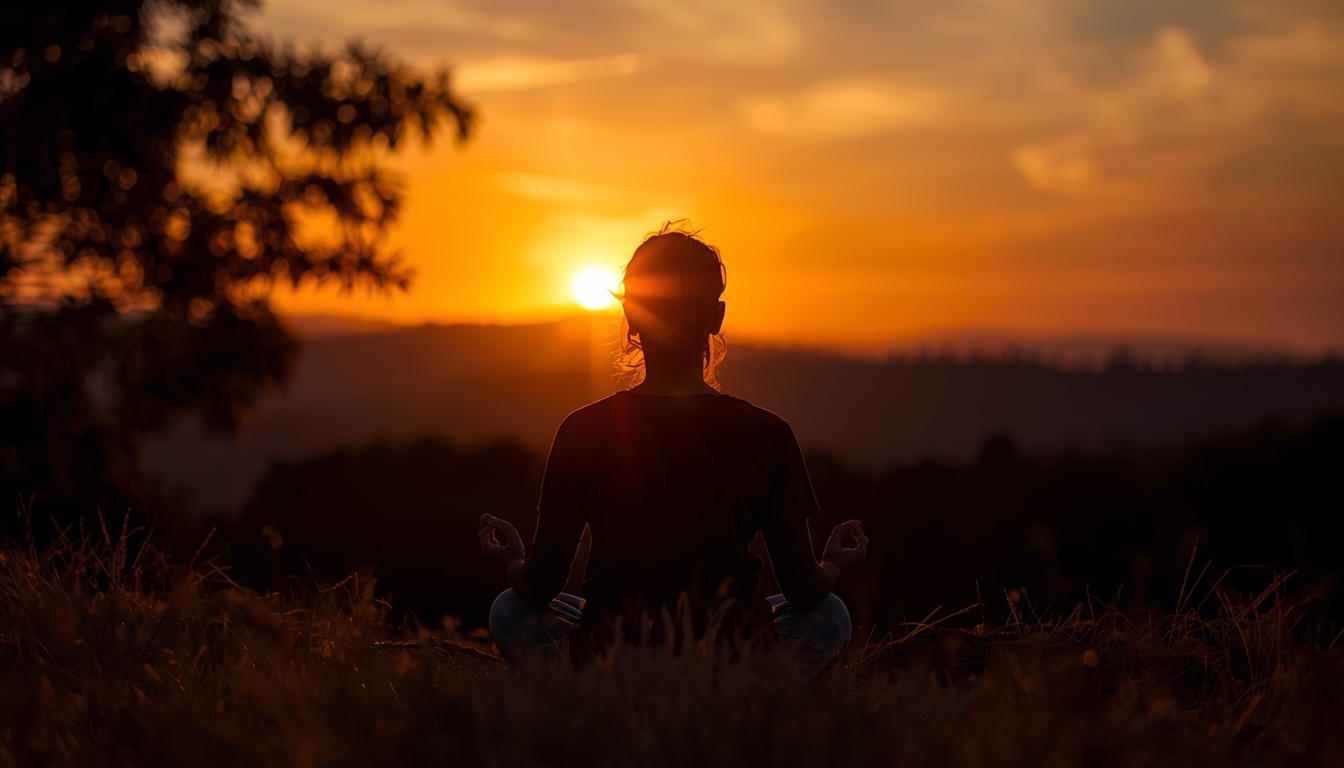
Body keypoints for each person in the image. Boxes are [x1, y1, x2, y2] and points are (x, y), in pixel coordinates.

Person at [479, 223, 869, 679]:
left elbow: (540, 586)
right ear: (716, 318)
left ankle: (600, 692)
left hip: (613, 659)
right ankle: (749, 694)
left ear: (632, 317)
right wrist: (835, 564)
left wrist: (511, 561)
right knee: (832, 614)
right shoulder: (768, 434)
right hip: (734, 659)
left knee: (510, 608)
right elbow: (803, 592)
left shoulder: (580, 430)